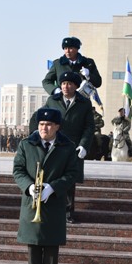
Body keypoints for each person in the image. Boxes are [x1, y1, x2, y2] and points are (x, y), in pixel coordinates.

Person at [13, 107, 78, 264]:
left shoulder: (67, 147)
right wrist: (29, 187)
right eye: (41, 124)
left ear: (57, 126)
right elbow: (18, 170)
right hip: (31, 201)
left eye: (49, 125)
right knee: (33, 243)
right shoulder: (26, 144)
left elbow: (72, 173)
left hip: (54, 201)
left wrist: (53, 188)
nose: (44, 128)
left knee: (51, 244)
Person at [30, 71, 94, 224]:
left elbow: (89, 127)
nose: (66, 87)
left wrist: (83, 145)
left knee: (69, 181)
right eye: (63, 84)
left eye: (69, 84)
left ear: (76, 86)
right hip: (55, 146)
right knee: (51, 178)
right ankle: (48, 211)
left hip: (73, 148)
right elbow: (39, 118)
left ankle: (68, 213)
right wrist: (35, 136)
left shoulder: (84, 103)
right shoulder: (53, 100)